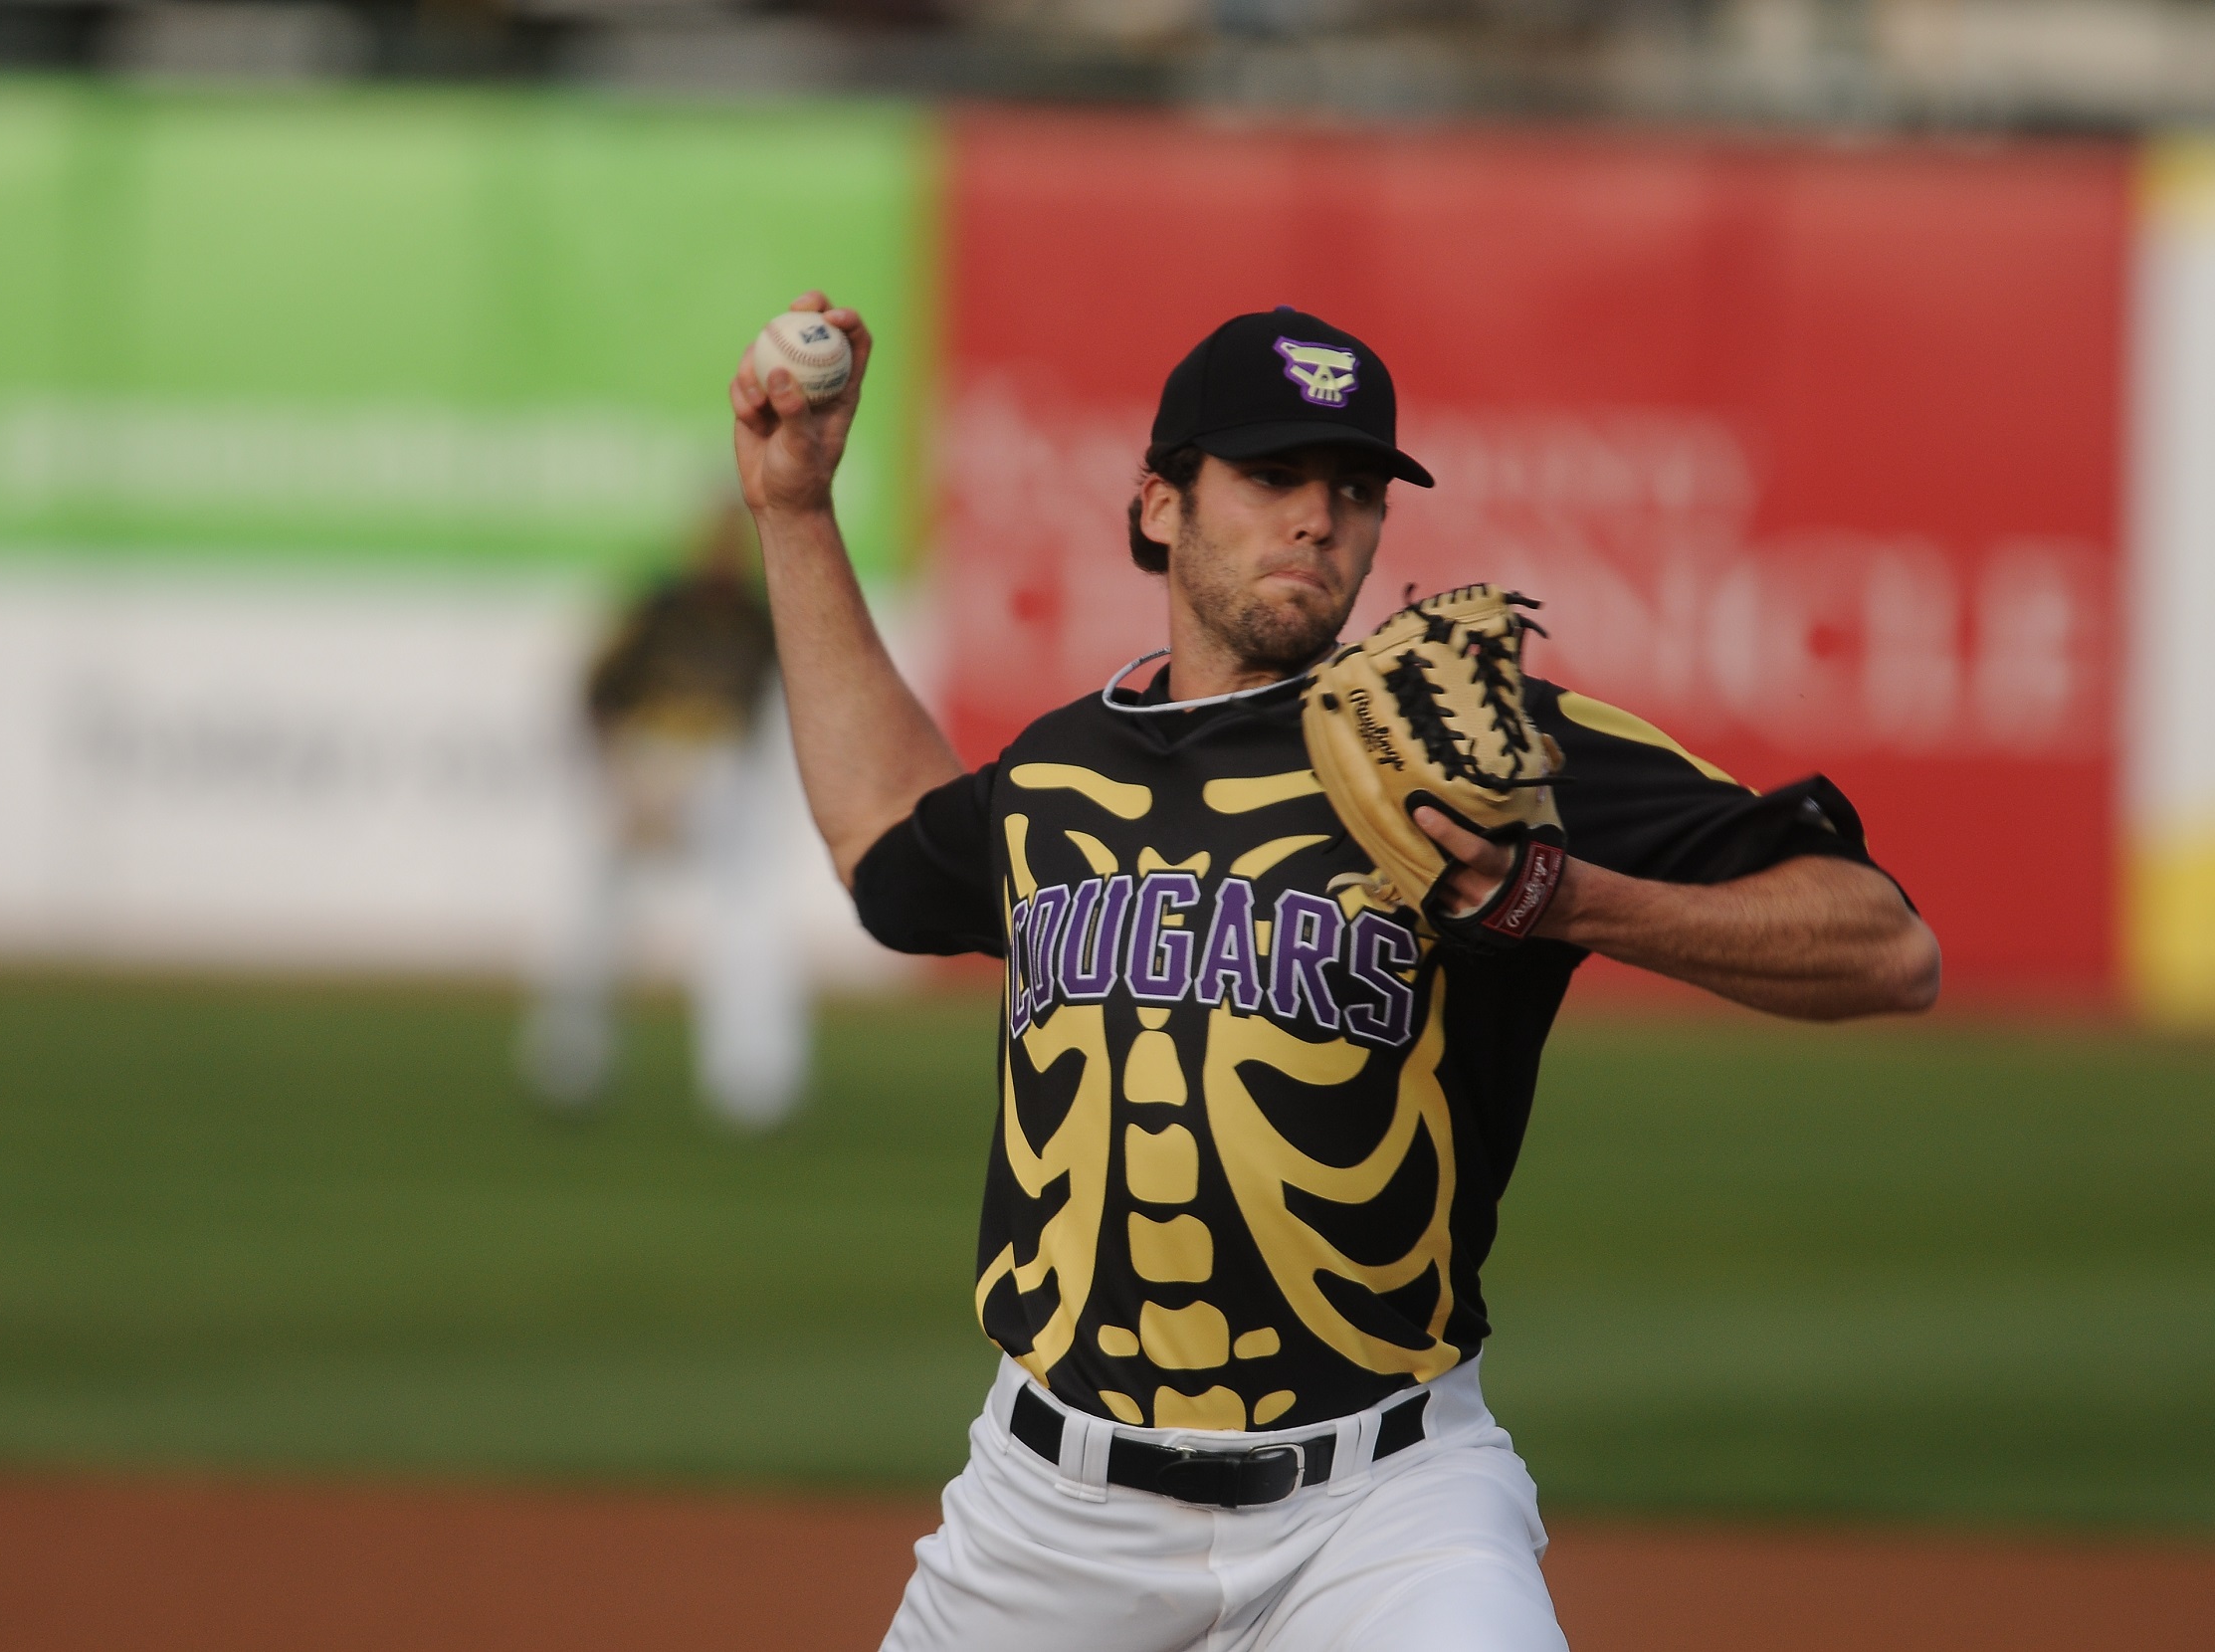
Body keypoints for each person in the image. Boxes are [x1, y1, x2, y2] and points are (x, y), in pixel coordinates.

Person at [730, 295, 1939, 1650]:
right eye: (1269, 477)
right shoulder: (1061, 773)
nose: (1317, 516)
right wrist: (795, 512)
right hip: (1047, 1518)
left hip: (1385, 1506)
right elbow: (885, 841)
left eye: (1355, 489)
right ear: (1158, 507)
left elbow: (1884, 946)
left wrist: (1571, 897)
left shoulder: (1474, 751)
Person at [516, 504, 809, 1130]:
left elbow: (779, 713)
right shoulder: (659, 608)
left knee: (749, 918)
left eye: (738, 541)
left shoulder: (761, 617)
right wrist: (620, 781)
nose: (726, 552)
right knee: (595, 913)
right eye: (718, 538)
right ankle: (568, 1064)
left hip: (722, 773)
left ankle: (754, 1082)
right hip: (646, 764)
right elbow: (595, 692)